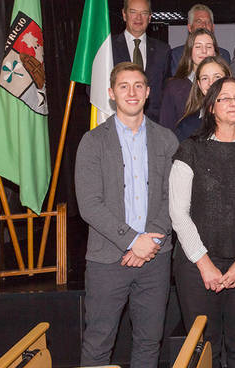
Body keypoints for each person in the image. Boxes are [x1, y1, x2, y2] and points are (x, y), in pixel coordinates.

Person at [76, 62, 179, 367]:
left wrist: (150, 242)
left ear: (148, 92)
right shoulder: (92, 142)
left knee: (149, 343)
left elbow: (171, 198)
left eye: (138, 86)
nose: (131, 92)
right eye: (123, 86)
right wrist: (133, 241)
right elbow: (89, 204)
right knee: (97, 343)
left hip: (155, 258)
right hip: (108, 261)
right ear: (111, 93)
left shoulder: (166, 140)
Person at [169, 77, 235, 368]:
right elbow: (178, 212)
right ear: (212, 107)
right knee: (204, 350)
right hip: (196, 266)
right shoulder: (189, 149)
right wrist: (204, 263)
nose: (232, 103)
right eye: (224, 98)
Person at [111, 0, 170, 122]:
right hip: (116, 122)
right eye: (133, 12)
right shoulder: (108, 47)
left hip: (153, 124)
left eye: (143, 13)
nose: (138, 18)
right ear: (124, 14)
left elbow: (166, 91)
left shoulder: (163, 50)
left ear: (150, 17)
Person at [159, 28, 218, 129]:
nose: (204, 51)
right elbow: (166, 128)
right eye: (198, 46)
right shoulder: (174, 87)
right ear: (189, 51)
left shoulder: (224, 85)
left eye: (209, 46)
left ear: (215, 52)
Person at [174, 56, 231, 142]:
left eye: (217, 77)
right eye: (205, 78)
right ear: (199, 84)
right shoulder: (186, 126)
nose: (211, 83)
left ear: (228, 79)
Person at [168, 4, 231, 75]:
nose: (204, 25)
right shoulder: (176, 55)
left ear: (213, 28)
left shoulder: (224, 55)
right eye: (199, 21)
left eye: (208, 22)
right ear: (189, 28)